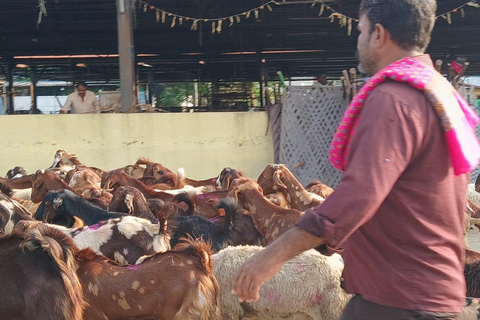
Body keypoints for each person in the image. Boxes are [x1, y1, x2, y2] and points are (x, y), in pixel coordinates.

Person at [232, 1, 480, 319]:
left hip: (398, 301)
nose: (358, 39)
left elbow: (360, 195)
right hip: (429, 295)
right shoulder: (438, 92)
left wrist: (272, 256)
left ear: (378, 33)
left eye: (360, 30)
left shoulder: (393, 98)